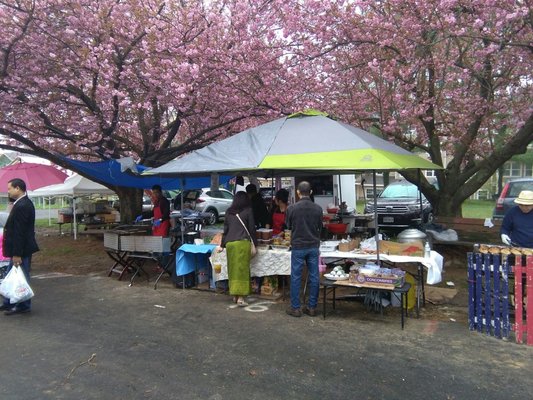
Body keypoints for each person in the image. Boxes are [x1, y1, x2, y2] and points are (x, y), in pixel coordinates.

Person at [1, 178, 39, 315]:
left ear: (18, 188)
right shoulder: (20, 203)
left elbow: (20, 232)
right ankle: (8, 302)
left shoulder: (23, 205)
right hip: (20, 248)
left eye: (10, 188)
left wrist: (17, 253)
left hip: (21, 249)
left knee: (21, 277)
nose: (8, 191)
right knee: (12, 275)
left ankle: (23, 305)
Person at [285, 181, 323, 317]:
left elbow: (288, 226)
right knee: (314, 276)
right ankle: (312, 307)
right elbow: (320, 227)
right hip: (313, 245)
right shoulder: (318, 209)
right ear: (311, 192)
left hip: (298, 246)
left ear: (298, 192)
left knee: (296, 276)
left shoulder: (291, 208)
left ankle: (296, 308)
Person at [217, 191, 257, 306]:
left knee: (233, 269)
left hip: (230, 244)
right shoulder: (248, 211)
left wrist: (222, 245)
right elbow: (252, 229)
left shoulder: (229, 212)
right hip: (242, 243)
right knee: (242, 270)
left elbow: (226, 230)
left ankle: (234, 295)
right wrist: (255, 244)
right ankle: (240, 298)